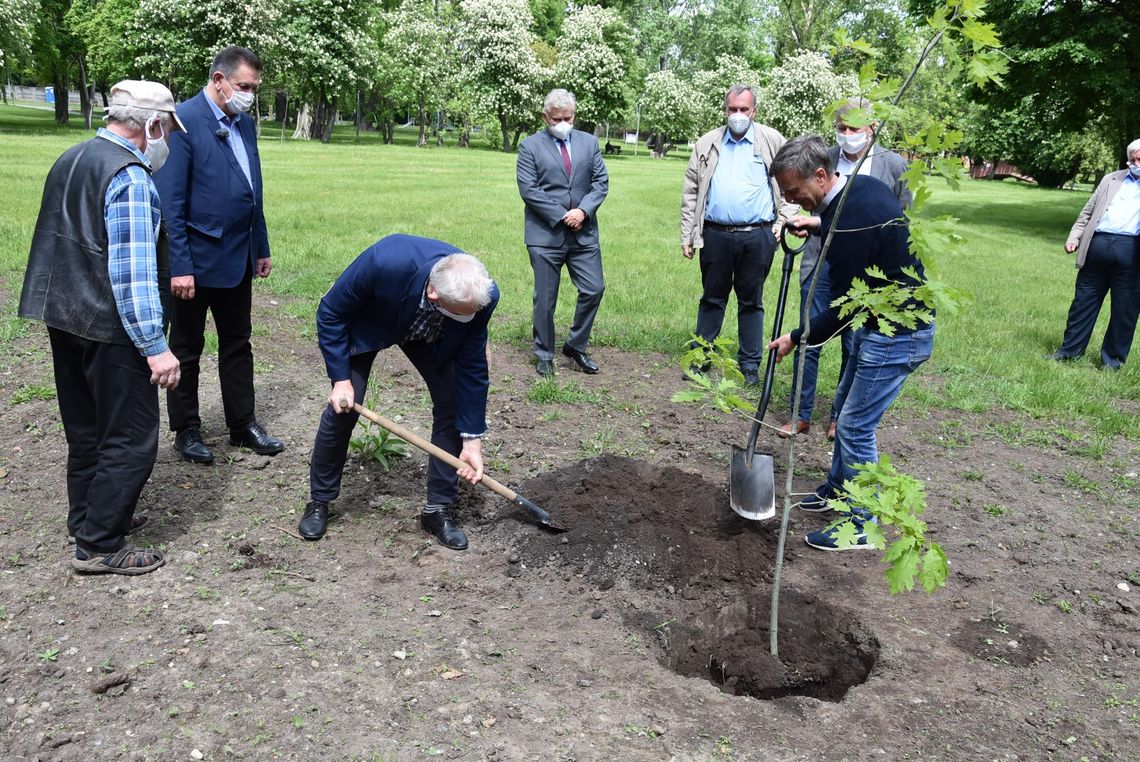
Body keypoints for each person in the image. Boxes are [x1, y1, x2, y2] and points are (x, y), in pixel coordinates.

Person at [19, 80, 185, 575]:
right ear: (152, 125)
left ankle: (87, 517)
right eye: (168, 131)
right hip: (110, 326)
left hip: (63, 314)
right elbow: (132, 273)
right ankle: (100, 544)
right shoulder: (130, 177)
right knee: (130, 436)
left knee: (86, 428)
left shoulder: (72, 156)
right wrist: (156, 346)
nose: (168, 142)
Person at [767, 136, 935, 552]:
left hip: (897, 335)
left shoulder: (848, 232)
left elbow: (841, 310)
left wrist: (795, 337)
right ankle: (840, 490)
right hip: (881, 323)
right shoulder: (861, 187)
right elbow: (866, 225)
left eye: (794, 192)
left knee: (856, 425)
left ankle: (862, 522)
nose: (791, 201)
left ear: (821, 176)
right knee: (844, 407)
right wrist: (819, 223)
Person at [300, 235, 499, 550]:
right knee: (346, 406)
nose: (469, 317)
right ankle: (319, 501)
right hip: (372, 321)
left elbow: (473, 367)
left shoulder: (479, 296)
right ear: (433, 293)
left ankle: (438, 509)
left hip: (429, 332)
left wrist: (471, 438)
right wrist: (341, 380)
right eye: (462, 313)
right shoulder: (384, 262)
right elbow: (330, 313)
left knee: (451, 402)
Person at [155, 45, 284, 464]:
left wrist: (259, 246)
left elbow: (253, 193)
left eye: (253, 88)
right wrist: (181, 267)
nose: (249, 94)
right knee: (187, 346)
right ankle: (186, 430)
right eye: (243, 86)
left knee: (237, 343)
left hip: (237, 258)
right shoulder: (186, 121)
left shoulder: (244, 124)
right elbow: (171, 202)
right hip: (195, 262)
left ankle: (241, 424)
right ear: (218, 80)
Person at [780, 98, 913, 439]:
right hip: (825, 263)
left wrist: (794, 338)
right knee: (815, 336)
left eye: (855, 128)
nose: (848, 135)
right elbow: (847, 218)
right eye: (842, 128)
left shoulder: (891, 167)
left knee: (849, 345)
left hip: (872, 288)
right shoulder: (831, 164)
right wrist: (817, 224)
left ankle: (841, 419)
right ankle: (801, 414)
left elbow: (874, 227)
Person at [680, 84, 795, 385]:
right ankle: (701, 358)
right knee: (712, 299)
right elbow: (691, 191)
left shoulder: (771, 140)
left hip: (758, 235)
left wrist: (783, 220)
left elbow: (792, 183)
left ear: (754, 111)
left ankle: (750, 365)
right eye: (733, 109)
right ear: (726, 110)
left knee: (751, 301)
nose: (738, 115)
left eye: (744, 109)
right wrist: (688, 234)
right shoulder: (708, 142)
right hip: (715, 235)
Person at [516, 88, 609, 377]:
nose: (562, 123)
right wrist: (562, 215)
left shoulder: (589, 143)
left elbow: (600, 182)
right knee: (545, 299)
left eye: (567, 117)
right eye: (556, 119)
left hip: (584, 233)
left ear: (574, 115)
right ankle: (544, 353)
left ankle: (575, 345)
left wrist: (583, 211)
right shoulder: (529, 146)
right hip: (545, 236)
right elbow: (529, 190)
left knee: (594, 289)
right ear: (545, 117)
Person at [1048, 139, 1140, 369]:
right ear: (1129, 159)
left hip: (1132, 253)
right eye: (1134, 158)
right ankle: (1069, 351)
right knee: (1082, 303)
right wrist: (1074, 237)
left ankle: (1112, 361)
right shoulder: (1111, 179)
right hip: (1096, 248)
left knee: (1124, 311)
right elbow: (1087, 213)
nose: (1137, 163)